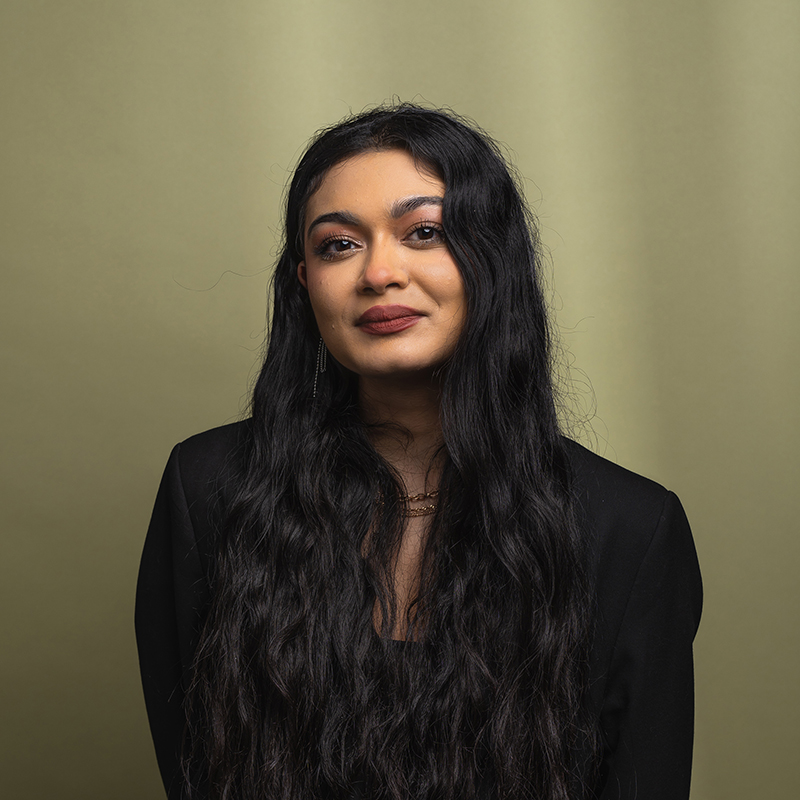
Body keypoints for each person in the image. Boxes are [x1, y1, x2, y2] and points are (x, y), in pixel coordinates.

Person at [135, 104, 702, 800]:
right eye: (338, 244)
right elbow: (192, 771)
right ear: (304, 280)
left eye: (425, 232)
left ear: (491, 258)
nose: (379, 272)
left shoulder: (633, 530)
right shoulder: (208, 490)